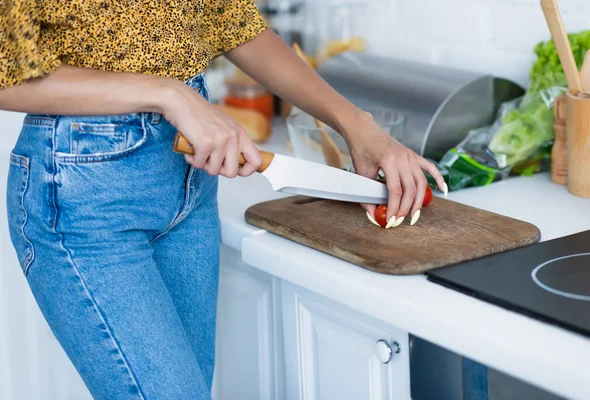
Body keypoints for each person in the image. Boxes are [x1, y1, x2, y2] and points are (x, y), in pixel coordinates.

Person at [0, 1, 447, 398]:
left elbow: (231, 20)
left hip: (190, 179)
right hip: (84, 194)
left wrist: (355, 122)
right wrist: (166, 92)